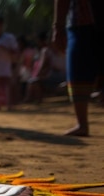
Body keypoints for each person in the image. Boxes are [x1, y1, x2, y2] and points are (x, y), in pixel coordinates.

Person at [52, 0, 104, 136]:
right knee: (77, 72)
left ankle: (82, 124)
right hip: (80, 23)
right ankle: (82, 124)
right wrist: (58, 26)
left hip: (82, 24)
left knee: (79, 71)